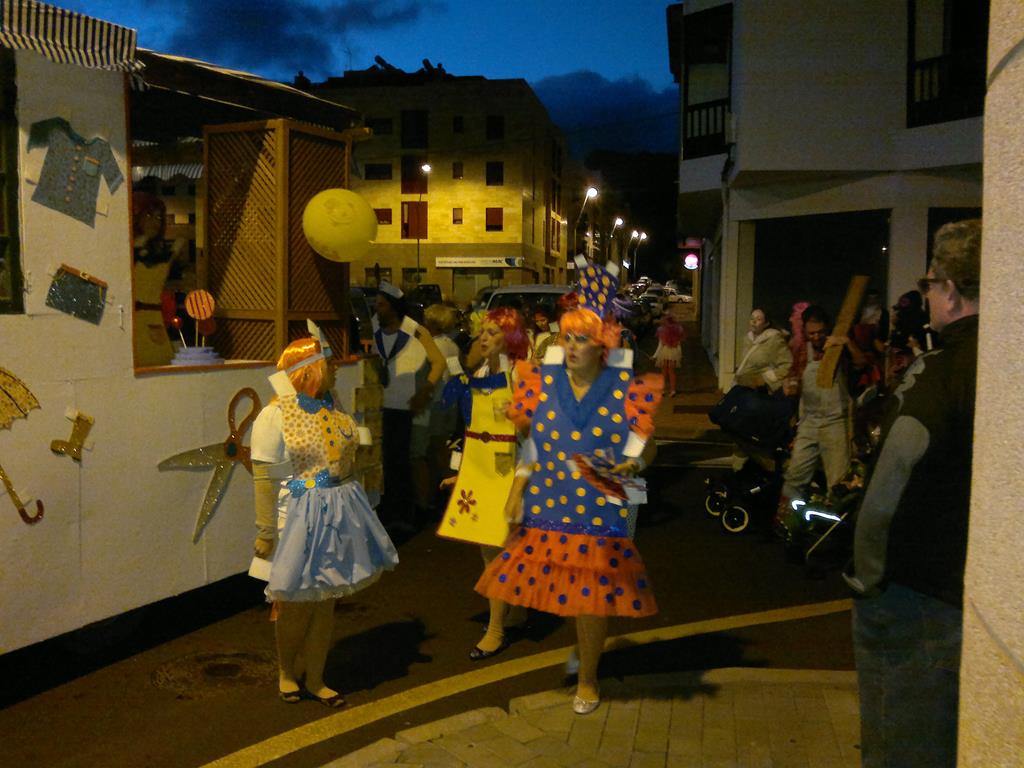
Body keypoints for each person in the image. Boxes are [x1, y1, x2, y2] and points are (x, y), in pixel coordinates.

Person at [475, 258, 662, 715]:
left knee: (592, 593)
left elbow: (645, 445)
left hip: (603, 501)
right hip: (550, 498)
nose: (573, 346)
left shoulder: (626, 388)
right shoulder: (543, 385)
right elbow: (535, 445)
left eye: (583, 338)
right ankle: (515, 632)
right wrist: (518, 490)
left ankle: (589, 677)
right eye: (567, 338)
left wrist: (632, 464)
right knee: (557, 583)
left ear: (602, 345)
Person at [844, 219, 980, 768]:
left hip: (917, 597)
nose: (926, 296)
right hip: (974, 593)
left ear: (948, 290)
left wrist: (864, 574)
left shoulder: (939, 374)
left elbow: (887, 488)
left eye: (929, 284)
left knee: (901, 743)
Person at [250, 325, 399, 706]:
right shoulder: (275, 414)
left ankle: (316, 677)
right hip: (300, 515)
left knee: (327, 599)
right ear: (310, 369)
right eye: (329, 364)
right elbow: (268, 479)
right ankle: (286, 671)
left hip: (340, 509)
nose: (335, 370)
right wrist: (268, 530)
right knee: (298, 601)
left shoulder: (332, 405)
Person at [439, 308, 531, 659]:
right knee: (497, 551)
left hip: (510, 473)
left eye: (493, 332)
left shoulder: (521, 374)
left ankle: (496, 629)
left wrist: (518, 416)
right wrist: (462, 472)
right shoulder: (479, 372)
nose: (484, 337)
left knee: (496, 555)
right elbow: (473, 431)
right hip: (481, 475)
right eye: (483, 331)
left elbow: (533, 432)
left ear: (510, 337)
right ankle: (518, 609)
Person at [777, 304, 866, 519]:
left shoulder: (838, 349)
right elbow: (793, 377)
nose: (816, 337)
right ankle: (787, 519)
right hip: (809, 421)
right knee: (795, 475)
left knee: (838, 480)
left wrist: (847, 343)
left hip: (835, 422)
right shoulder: (801, 351)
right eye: (811, 333)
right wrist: (789, 387)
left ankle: (834, 526)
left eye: (820, 332)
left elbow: (862, 363)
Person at [373, 282, 446, 539]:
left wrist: (425, 390)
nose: (376, 309)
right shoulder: (374, 329)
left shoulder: (414, 330)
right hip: (385, 407)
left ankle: (410, 515)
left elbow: (438, 362)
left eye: (381, 304)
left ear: (393, 306)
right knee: (389, 463)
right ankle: (391, 514)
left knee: (408, 462)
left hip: (408, 406)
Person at [411, 303, 463, 516]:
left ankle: (429, 500)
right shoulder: (452, 345)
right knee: (440, 449)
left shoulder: (431, 347)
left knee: (423, 453)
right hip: (449, 404)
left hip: (434, 404)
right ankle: (446, 492)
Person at [733, 309, 792, 393]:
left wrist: (766, 378)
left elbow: (786, 363)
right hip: (744, 386)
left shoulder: (774, 339)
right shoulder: (747, 338)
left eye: (758, 319)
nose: (754, 321)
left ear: (766, 324)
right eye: (752, 318)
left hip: (760, 390)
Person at [653, 313, 684, 396]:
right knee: (672, 372)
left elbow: (660, 345)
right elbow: (679, 344)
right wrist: (680, 355)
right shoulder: (678, 329)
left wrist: (655, 356)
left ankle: (663, 390)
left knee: (664, 372)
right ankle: (673, 390)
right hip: (674, 352)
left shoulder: (661, 330)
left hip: (664, 351)